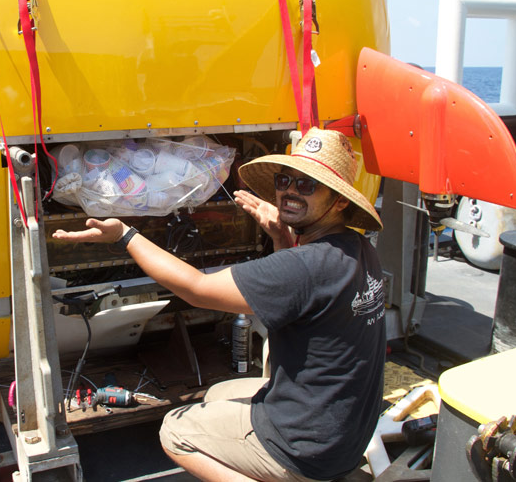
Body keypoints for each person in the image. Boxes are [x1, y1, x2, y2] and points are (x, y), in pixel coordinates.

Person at [52, 127, 386, 482]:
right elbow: (299, 295)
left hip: (305, 448)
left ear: (340, 201)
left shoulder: (306, 266)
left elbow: (197, 289)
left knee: (175, 431)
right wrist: (278, 236)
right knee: (217, 393)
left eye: (307, 185)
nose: (289, 191)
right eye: (285, 179)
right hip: (342, 436)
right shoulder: (357, 250)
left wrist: (125, 236)